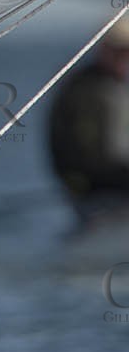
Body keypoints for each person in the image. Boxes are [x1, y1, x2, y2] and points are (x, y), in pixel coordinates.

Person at [48, 18, 129, 222]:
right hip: (97, 194)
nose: (125, 58)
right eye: (120, 50)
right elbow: (91, 157)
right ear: (104, 48)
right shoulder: (86, 91)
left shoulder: (112, 87)